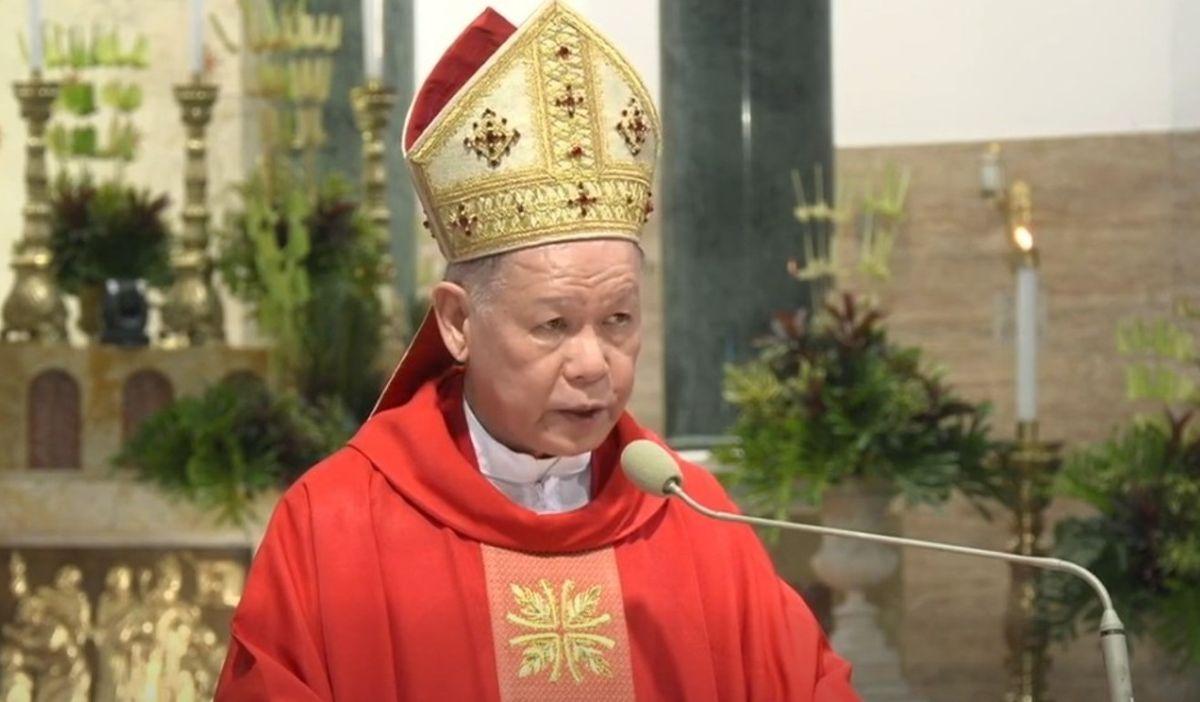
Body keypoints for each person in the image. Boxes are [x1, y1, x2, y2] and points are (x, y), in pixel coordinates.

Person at [215, 2, 859, 699]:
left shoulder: (694, 520)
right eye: (554, 325)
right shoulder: (335, 526)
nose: (593, 364)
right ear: (458, 322)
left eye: (617, 319)